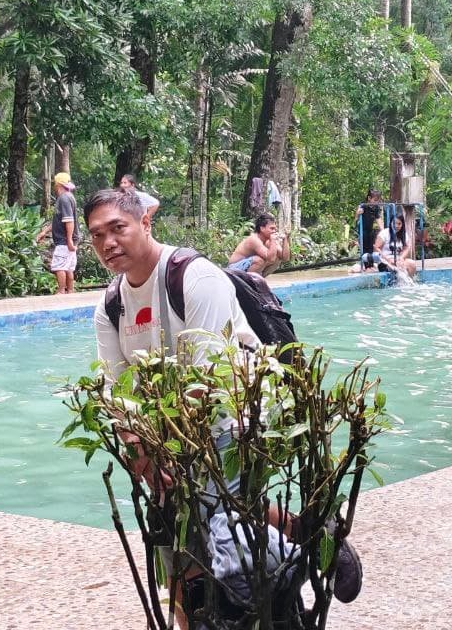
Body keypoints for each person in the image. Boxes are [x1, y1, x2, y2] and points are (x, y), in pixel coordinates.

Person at [83, 189, 361, 622]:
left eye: (118, 228)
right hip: (172, 431)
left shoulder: (193, 276)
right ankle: (305, 533)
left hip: (235, 413)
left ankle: (292, 564)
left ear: (146, 223)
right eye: (97, 235)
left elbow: (209, 379)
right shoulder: (111, 305)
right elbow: (119, 394)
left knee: (216, 529)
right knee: (178, 543)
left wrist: (167, 451)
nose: (108, 243)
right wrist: (140, 452)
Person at [34, 172, 78, 294]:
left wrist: (69, 240)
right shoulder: (68, 197)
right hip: (68, 239)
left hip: (64, 240)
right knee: (68, 267)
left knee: (59, 266)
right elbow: (58, 220)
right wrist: (44, 232)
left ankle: (61, 290)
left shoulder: (64, 199)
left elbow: (69, 220)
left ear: (58, 184)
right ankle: (70, 291)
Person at [348, 190, 385, 274]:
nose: (377, 202)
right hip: (362, 231)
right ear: (369, 198)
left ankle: (370, 266)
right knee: (364, 249)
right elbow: (356, 220)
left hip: (370, 231)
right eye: (375, 200)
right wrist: (358, 214)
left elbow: (379, 220)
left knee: (371, 249)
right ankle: (366, 266)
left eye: (378, 201)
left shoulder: (375, 208)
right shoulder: (363, 206)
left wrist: (383, 231)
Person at [374, 212, 418, 277]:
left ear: (402, 224)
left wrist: (401, 258)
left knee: (412, 263)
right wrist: (388, 260)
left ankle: (410, 281)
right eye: (394, 223)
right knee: (397, 268)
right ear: (391, 223)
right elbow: (376, 248)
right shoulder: (384, 233)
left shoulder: (404, 234)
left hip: (398, 260)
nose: (396, 226)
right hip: (384, 261)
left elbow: (406, 247)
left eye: (399, 224)